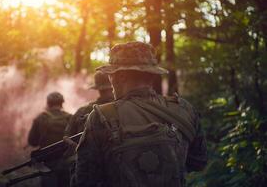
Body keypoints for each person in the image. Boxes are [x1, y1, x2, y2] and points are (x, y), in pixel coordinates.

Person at [72, 41, 207, 187]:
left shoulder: (102, 116)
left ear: (121, 76)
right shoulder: (184, 109)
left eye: (111, 74)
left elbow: (84, 180)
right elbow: (198, 163)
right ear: (151, 74)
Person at [28, 91, 72, 187]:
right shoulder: (70, 118)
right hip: (67, 164)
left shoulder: (40, 118)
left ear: (48, 103)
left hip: (47, 165)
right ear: (62, 103)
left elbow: (32, 142)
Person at [65, 71, 114, 137]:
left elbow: (68, 135)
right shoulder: (123, 108)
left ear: (97, 88)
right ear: (112, 87)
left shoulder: (82, 111)